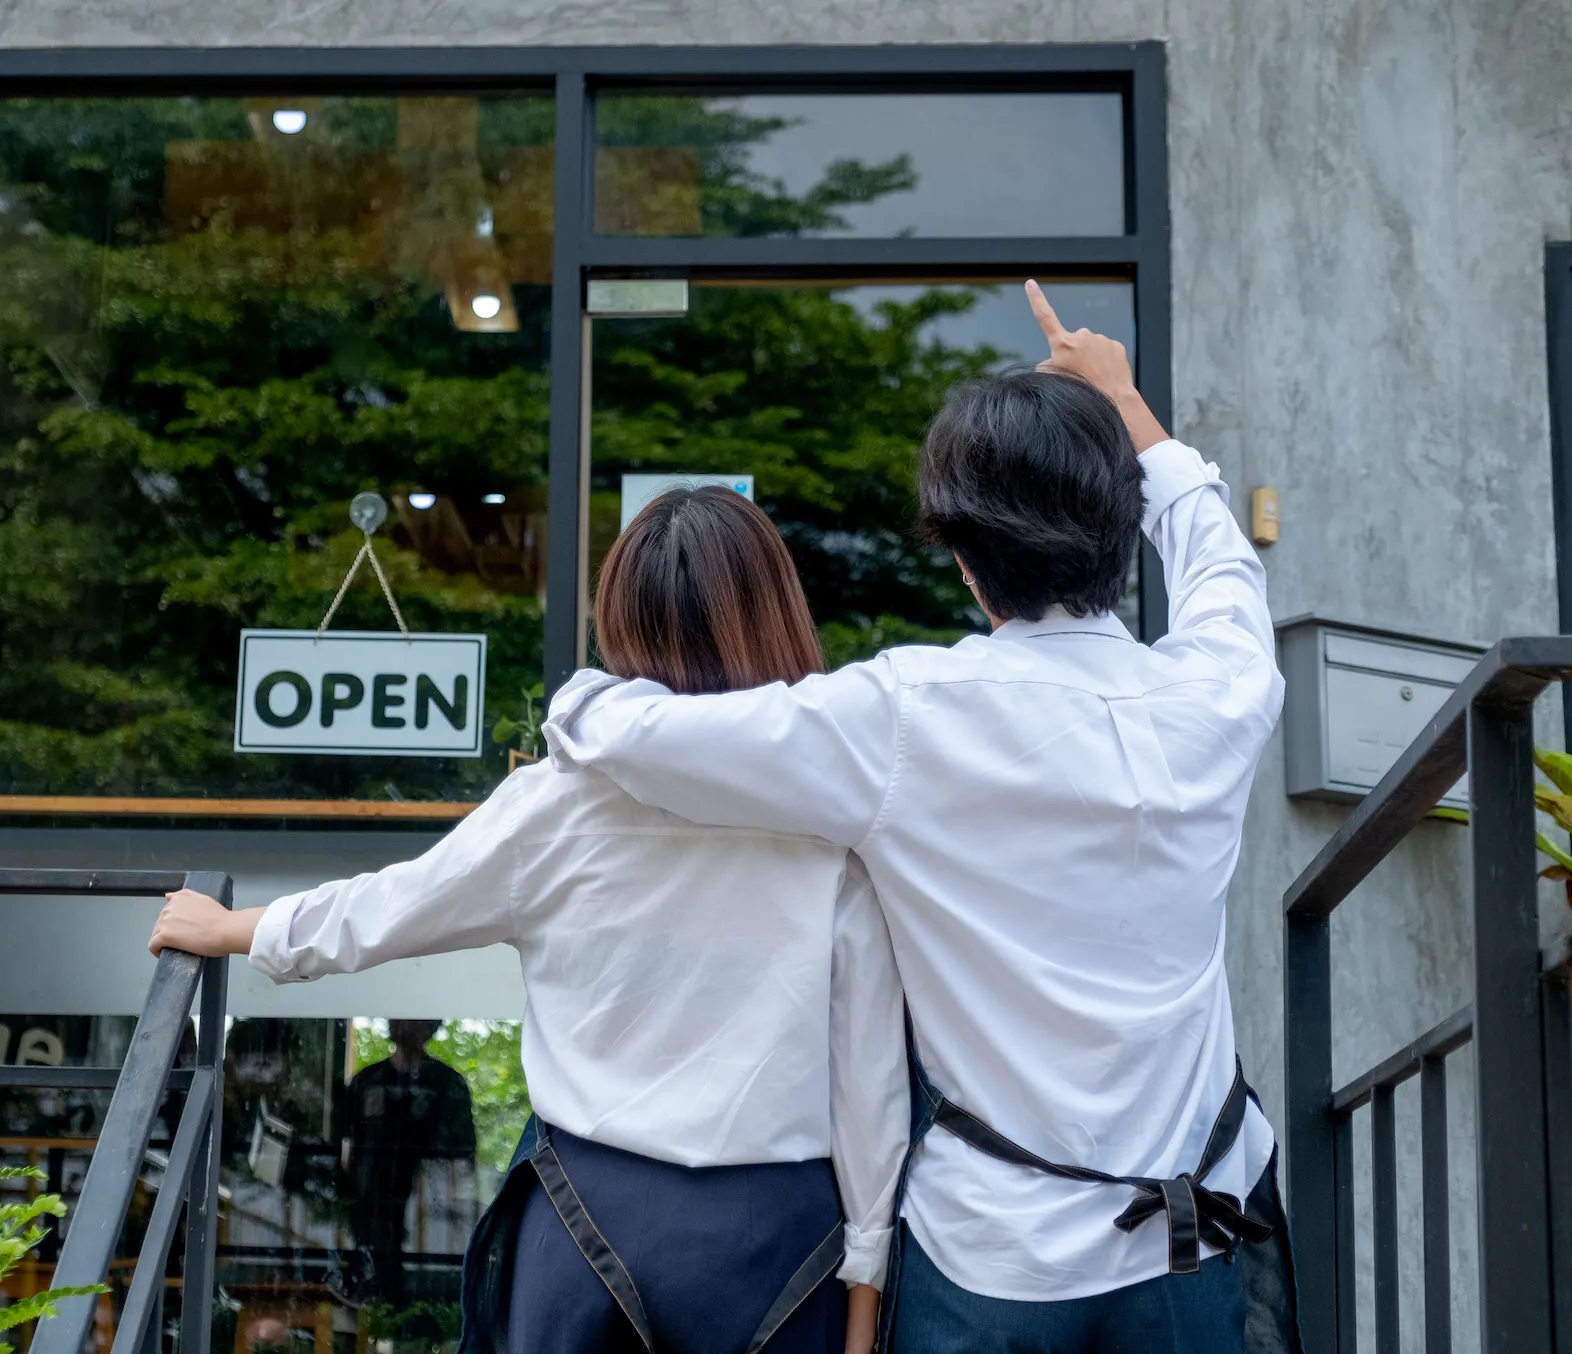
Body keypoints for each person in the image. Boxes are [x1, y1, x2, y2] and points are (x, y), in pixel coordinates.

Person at [540, 283, 1298, 1354]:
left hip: (992, 1259)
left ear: (961, 555)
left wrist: (576, 698)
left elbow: (635, 740)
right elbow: (1220, 555)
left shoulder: (902, 717)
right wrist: (1127, 403)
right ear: (1123, 535)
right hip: (1191, 1249)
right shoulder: (1219, 689)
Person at [149, 486, 909, 1354]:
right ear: (775, 611)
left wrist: (240, 928)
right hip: (777, 1240)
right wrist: (864, 1293)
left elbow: (393, 906)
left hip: (585, 1222)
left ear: (623, 619)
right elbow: (870, 1080)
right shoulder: (836, 818)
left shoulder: (558, 801)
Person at [340, 1018, 477, 1306]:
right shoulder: (368, 1081)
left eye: (412, 1018)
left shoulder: (446, 1083)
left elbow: (463, 1159)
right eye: (396, 1017)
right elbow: (348, 1150)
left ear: (429, 1026)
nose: (401, 1024)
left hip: (429, 1209)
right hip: (373, 1208)